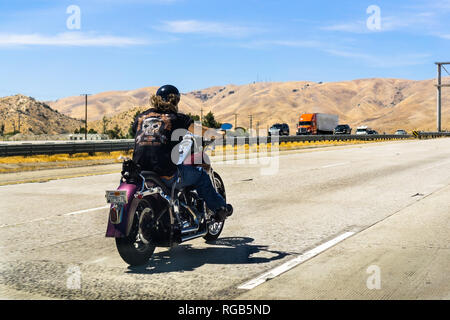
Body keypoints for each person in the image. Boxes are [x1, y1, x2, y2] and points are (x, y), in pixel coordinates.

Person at [131, 84, 233, 221]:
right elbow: (201, 130)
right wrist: (218, 134)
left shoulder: (141, 117)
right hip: (165, 173)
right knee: (201, 175)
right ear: (175, 101)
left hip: (140, 171)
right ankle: (220, 208)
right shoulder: (177, 118)